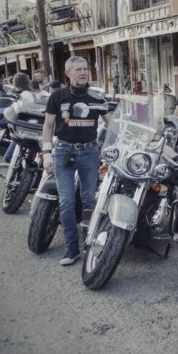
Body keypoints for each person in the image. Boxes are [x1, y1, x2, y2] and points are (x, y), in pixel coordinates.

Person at [41, 56, 111, 266]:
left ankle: (88, 244)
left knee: (90, 199)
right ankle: (72, 249)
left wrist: (130, 136)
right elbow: (47, 126)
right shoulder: (58, 96)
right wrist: (46, 154)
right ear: (68, 73)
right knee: (67, 202)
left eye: (85, 69)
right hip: (63, 151)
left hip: (90, 152)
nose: (83, 73)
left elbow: (113, 124)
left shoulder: (97, 96)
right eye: (78, 70)